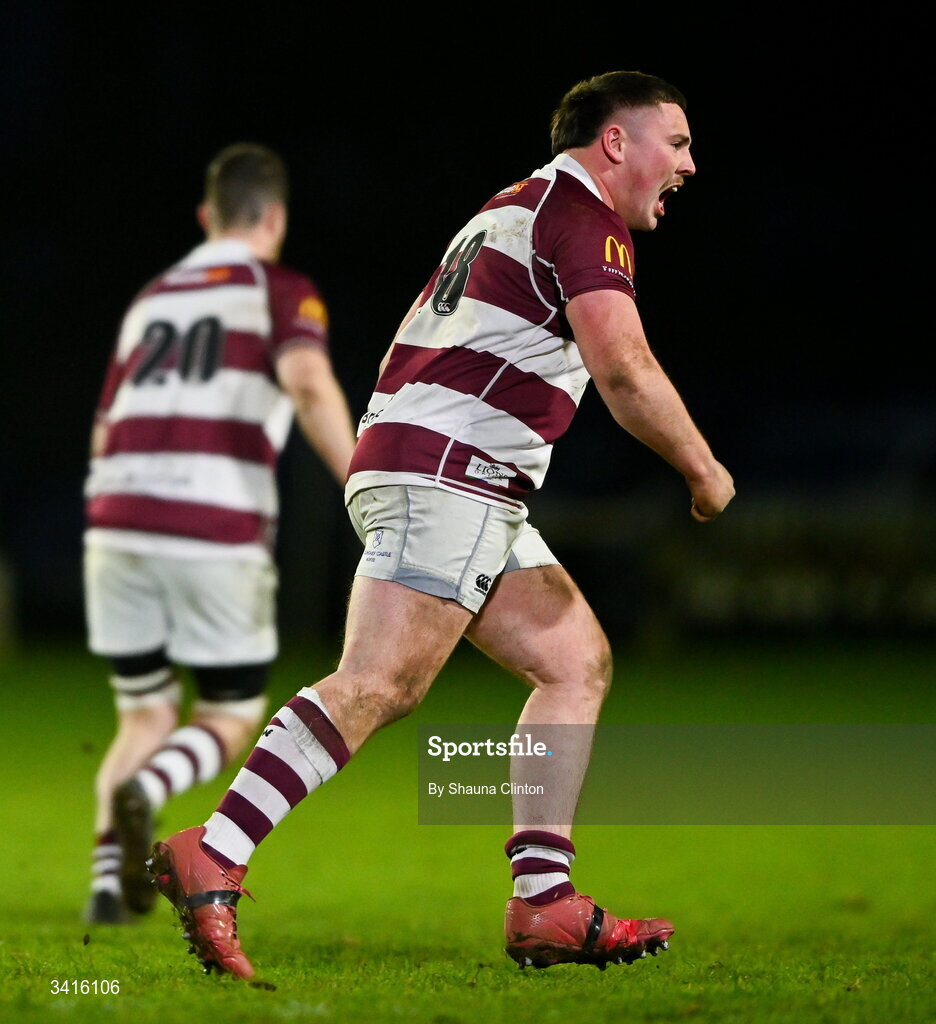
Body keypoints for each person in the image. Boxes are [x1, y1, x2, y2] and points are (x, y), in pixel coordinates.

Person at [149, 71, 735, 977]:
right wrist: (703, 468)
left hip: (445, 470)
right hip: (451, 473)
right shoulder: (585, 217)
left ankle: (544, 903)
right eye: (679, 143)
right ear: (616, 142)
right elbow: (624, 369)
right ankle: (216, 849)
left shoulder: (517, 203)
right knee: (380, 683)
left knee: (576, 662)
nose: (689, 165)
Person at [82, 143, 358, 924]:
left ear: (206, 217)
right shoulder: (281, 288)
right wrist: (359, 486)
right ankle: (154, 788)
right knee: (233, 712)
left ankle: (109, 882)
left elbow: (105, 427)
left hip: (116, 520)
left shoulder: (151, 298)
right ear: (273, 216)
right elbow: (307, 383)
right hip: (212, 523)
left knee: (141, 711)